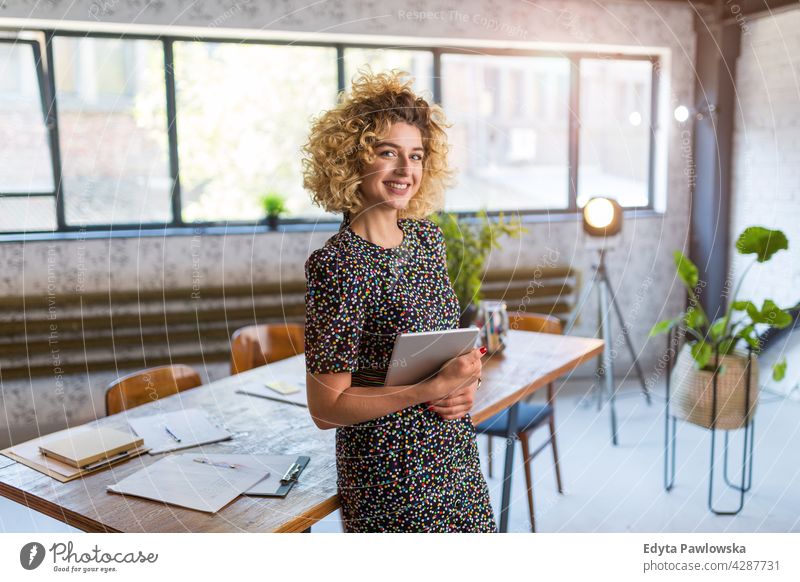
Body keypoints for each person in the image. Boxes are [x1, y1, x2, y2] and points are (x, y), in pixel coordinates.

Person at [301, 68, 496, 533]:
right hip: (389, 476)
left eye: (416, 155)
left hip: (454, 458)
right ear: (352, 161)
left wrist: (465, 385)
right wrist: (429, 390)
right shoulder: (337, 266)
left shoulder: (427, 239)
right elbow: (326, 409)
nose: (406, 171)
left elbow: (444, 349)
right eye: (388, 153)